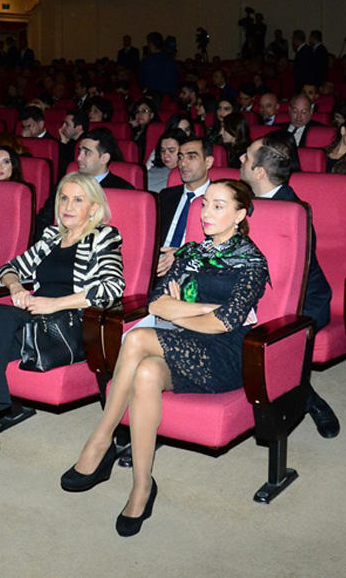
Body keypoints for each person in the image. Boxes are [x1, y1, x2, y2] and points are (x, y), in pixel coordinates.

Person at [61, 180, 266, 535]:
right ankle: (142, 485)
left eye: (219, 206)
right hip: (178, 342)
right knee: (145, 375)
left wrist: (179, 310)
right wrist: (193, 309)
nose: (206, 213)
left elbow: (225, 324)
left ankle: (101, 437)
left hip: (225, 356)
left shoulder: (251, 262)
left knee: (139, 338)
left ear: (240, 214)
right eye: (205, 205)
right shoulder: (191, 253)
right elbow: (156, 303)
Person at [0, 172, 124, 475]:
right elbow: (9, 268)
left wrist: (55, 303)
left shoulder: (104, 236)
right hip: (35, 316)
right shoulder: (52, 237)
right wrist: (15, 288)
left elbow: (112, 287)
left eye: (78, 199)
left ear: (93, 208)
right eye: (64, 197)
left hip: (70, 324)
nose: (68, 205)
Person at [239, 136, 340, 437]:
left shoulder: (293, 212)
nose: (240, 160)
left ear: (259, 172)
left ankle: (311, 402)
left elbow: (285, 278)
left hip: (304, 302)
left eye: (246, 157)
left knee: (253, 338)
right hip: (260, 296)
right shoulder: (243, 202)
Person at [37, 127, 132, 232]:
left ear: (104, 158)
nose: (79, 158)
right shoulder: (67, 183)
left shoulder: (123, 190)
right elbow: (44, 220)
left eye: (87, 153)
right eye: (80, 152)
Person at [155, 137, 213, 275]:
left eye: (191, 157)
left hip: (196, 273)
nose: (183, 163)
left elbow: (223, 247)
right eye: (180, 157)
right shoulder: (166, 196)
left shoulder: (220, 200)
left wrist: (182, 255)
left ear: (208, 162)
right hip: (158, 269)